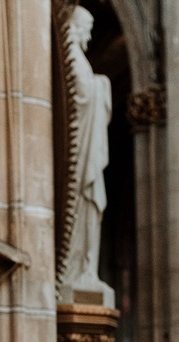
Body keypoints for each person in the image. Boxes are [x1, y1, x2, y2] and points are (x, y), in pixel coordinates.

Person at [59, 5, 113, 301]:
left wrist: (100, 84)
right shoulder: (73, 60)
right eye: (87, 27)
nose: (91, 35)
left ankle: (87, 269)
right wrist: (102, 85)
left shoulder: (79, 60)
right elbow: (78, 97)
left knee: (93, 207)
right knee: (81, 205)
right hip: (80, 155)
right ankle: (76, 269)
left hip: (89, 152)